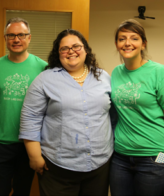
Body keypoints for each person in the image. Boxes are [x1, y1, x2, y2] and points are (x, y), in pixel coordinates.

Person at [19, 29, 116, 196]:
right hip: (58, 167)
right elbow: (30, 117)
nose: (71, 51)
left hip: (100, 165)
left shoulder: (103, 77)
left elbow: (113, 115)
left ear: (86, 49)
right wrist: (34, 156)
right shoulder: (45, 79)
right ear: (58, 54)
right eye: (64, 48)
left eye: (76, 46)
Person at [110, 19, 164, 196]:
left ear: (143, 44)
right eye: (122, 39)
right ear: (116, 44)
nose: (127, 43)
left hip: (156, 158)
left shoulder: (161, 73)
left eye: (134, 38)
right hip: (120, 158)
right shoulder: (115, 73)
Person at [0, 17, 47, 195]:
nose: (16, 39)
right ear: (5, 39)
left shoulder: (43, 67)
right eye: (11, 35)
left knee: (23, 191)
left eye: (21, 35)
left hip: (29, 143)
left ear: (29, 38)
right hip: (0, 143)